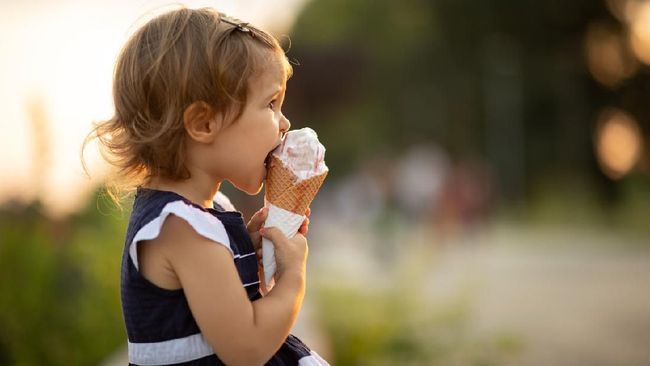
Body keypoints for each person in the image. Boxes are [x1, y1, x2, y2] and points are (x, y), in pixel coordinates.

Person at [84, 7, 328, 365]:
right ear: (204, 122)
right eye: (271, 104)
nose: (284, 123)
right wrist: (293, 278)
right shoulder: (181, 228)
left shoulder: (207, 215)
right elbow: (246, 349)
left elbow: (219, 310)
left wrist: (251, 257)